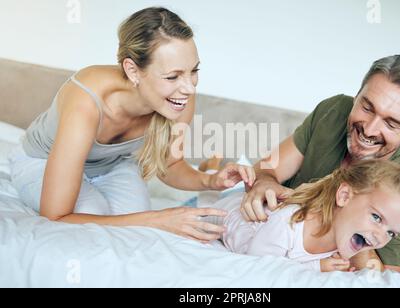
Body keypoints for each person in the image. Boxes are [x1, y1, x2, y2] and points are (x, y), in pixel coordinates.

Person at [8, 7, 255, 242]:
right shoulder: (88, 100)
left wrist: (210, 181)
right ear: (133, 70)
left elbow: (171, 164)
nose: (189, 87)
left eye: (194, 71)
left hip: (113, 166)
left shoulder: (180, 97)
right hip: (40, 161)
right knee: (91, 223)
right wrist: (157, 219)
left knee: (137, 236)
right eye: (173, 76)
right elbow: (57, 216)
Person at [241, 55, 400, 272]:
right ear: (357, 95)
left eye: (391, 124)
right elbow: (268, 167)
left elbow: (389, 275)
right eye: (367, 107)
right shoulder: (334, 110)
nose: (370, 130)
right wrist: (265, 181)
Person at [201, 160, 400, 272]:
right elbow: (259, 265)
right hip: (230, 213)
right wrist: (317, 267)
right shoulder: (289, 222)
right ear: (344, 196)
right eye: (377, 218)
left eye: (391, 232)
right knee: (210, 201)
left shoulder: (345, 237)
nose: (380, 237)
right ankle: (209, 167)